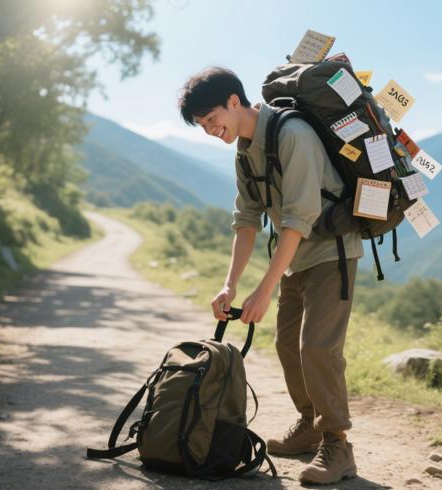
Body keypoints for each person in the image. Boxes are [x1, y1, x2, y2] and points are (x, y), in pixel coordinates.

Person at [178, 66, 363, 485]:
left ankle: (337, 444)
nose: (209, 131)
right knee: (286, 345)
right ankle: (308, 425)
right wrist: (230, 284)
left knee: (317, 347)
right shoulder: (245, 150)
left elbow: (297, 220)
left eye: (211, 120)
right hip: (295, 256)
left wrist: (264, 288)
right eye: (202, 126)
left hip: (331, 252)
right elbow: (247, 220)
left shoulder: (292, 134)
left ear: (233, 101)